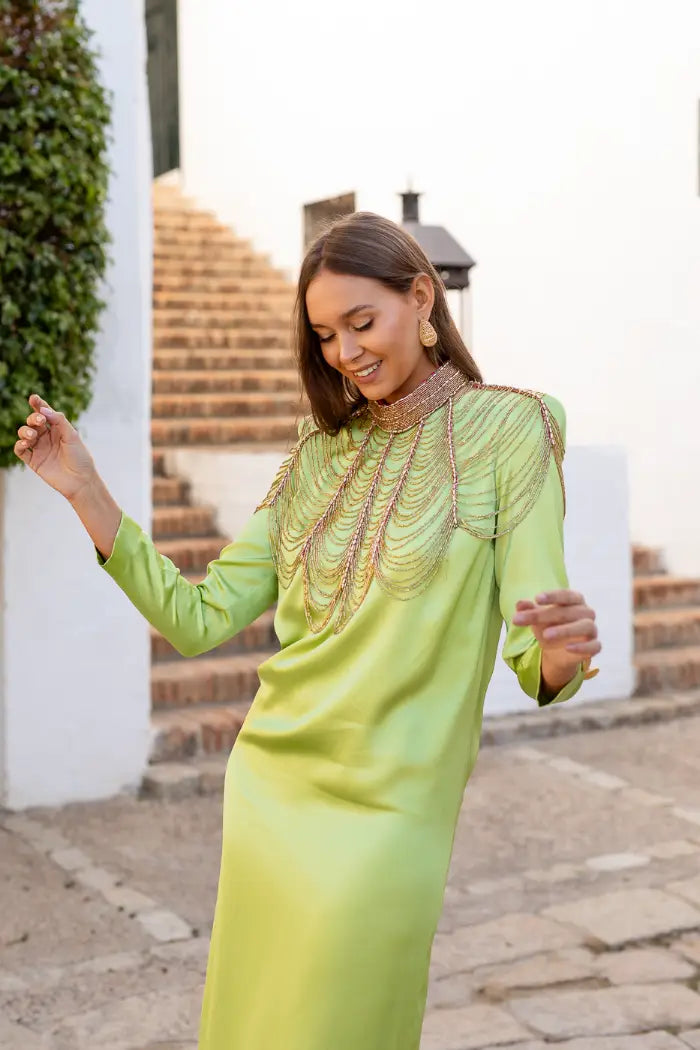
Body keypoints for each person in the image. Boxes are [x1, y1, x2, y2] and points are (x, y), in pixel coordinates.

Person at [14, 211, 601, 1050]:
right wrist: (87, 493)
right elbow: (200, 618)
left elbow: (536, 635)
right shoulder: (317, 455)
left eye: (362, 322)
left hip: (393, 813)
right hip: (273, 793)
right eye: (325, 335)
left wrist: (559, 656)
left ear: (422, 297)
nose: (346, 353)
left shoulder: (515, 428)